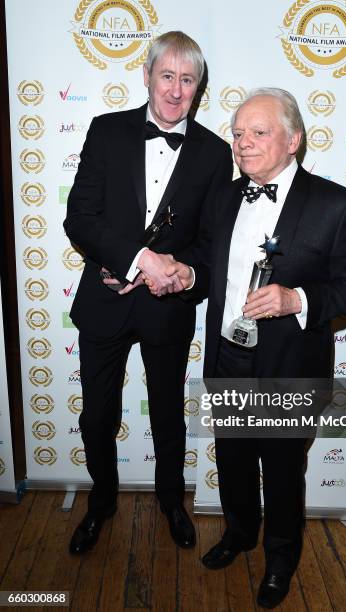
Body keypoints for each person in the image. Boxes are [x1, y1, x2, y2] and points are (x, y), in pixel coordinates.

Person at [187, 88, 346, 608]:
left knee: (283, 469)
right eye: (238, 134)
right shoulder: (225, 197)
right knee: (232, 459)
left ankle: (281, 557)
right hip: (227, 356)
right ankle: (239, 534)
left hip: (289, 366)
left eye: (258, 132)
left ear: (293, 139)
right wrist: (182, 272)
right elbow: (210, 267)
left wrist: (297, 298)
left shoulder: (335, 203)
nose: (243, 144)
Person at [64, 31, 232, 555]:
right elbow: (80, 219)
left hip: (168, 310)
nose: (176, 90)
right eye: (167, 76)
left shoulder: (215, 152)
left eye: (188, 80)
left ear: (198, 87)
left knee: (166, 413)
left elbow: (212, 243)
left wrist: (182, 272)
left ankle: (171, 501)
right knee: (97, 415)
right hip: (104, 300)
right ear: (147, 75)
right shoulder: (107, 131)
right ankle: (102, 501)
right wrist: (139, 260)